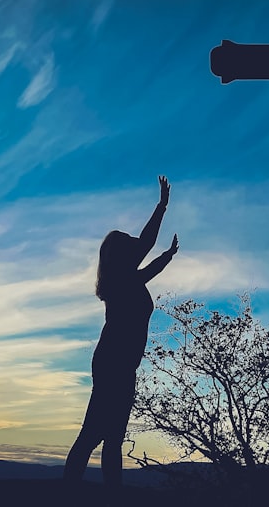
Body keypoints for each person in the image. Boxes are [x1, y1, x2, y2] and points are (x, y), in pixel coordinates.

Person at [63, 175, 179, 490]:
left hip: (121, 365)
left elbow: (149, 264)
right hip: (114, 364)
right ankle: (69, 491)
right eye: (130, 246)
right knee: (93, 435)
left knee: (111, 437)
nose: (136, 247)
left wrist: (167, 256)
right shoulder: (121, 281)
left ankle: (105, 493)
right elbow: (148, 243)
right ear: (121, 255)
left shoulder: (127, 280)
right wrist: (162, 207)